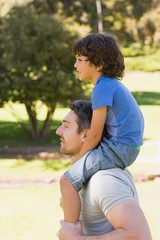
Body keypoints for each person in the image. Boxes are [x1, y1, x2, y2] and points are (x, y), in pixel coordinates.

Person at [60, 33, 144, 224]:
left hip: (118, 148)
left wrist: (78, 160)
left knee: (67, 181)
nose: (76, 65)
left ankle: (70, 230)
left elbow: (95, 134)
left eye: (81, 60)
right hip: (124, 147)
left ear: (97, 65)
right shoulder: (110, 85)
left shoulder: (102, 88)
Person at [56, 100, 151, 239]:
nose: (58, 131)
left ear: (85, 135)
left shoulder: (103, 180)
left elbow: (138, 234)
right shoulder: (82, 176)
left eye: (66, 126)